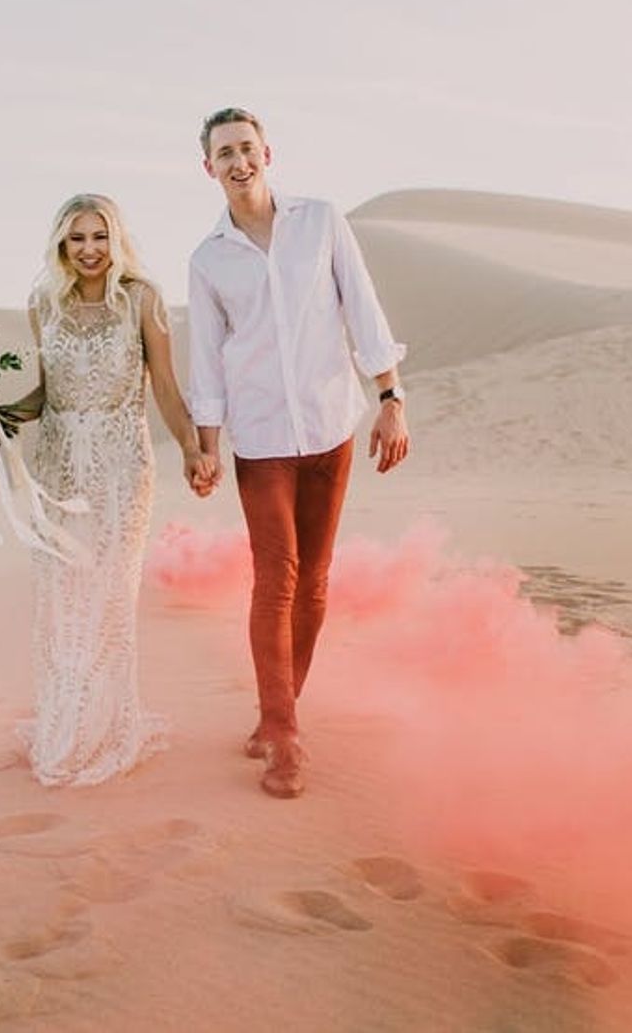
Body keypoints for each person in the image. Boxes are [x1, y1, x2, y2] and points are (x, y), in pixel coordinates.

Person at [187, 108, 410, 799]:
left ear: (267, 153)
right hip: (260, 440)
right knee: (274, 578)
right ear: (208, 167)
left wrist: (391, 397)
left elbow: (362, 306)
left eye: (247, 148)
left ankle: (278, 714)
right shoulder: (208, 259)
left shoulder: (321, 221)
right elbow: (206, 360)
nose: (238, 161)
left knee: (314, 580)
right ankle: (283, 736)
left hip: (329, 425)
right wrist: (207, 447)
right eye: (225, 153)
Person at [0, 193, 216, 786]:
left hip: (121, 464)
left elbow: (166, 389)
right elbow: (44, 394)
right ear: (62, 246)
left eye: (100, 237)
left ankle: (103, 727)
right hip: (58, 466)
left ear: (117, 241)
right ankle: (63, 723)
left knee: (108, 597)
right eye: (77, 239)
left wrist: (194, 450)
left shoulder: (142, 300)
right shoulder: (43, 305)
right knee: (61, 597)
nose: (90, 250)